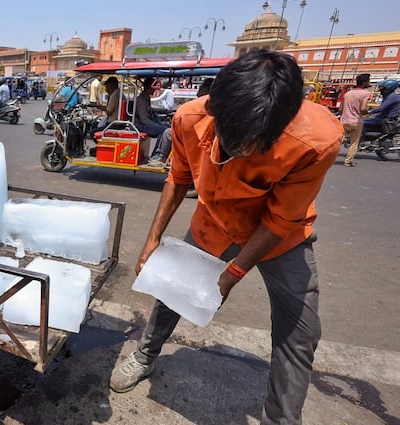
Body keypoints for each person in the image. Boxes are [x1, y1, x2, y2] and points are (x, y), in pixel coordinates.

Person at [109, 50, 343, 425]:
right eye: (230, 140)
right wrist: (152, 240)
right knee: (173, 291)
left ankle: (281, 419)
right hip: (215, 222)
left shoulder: (317, 142)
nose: (239, 153)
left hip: (281, 237)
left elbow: (282, 218)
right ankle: (144, 356)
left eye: (253, 147)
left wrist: (233, 273)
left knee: (300, 333)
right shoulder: (189, 118)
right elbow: (177, 178)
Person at [135, 78, 171, 163]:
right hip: (140, 125)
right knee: (164, 130)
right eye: (153, 88)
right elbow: (144, 119)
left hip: (145, 123)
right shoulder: (141, 100)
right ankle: (156, 154)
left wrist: (158, 123)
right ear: (149, 88)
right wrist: (156, 125)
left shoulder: (146, 98)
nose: (155, 91)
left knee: (168, 127)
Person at [340, 74, 371, 167]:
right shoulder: (366, 93)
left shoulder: (348, 93)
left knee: (338, 140)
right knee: (354, 142)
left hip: (344, 121)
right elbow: (363, 109)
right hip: (356, 121)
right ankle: (348, 161)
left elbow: (340, 109)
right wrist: (368, 112)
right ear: (364, 83)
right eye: (368, 81)